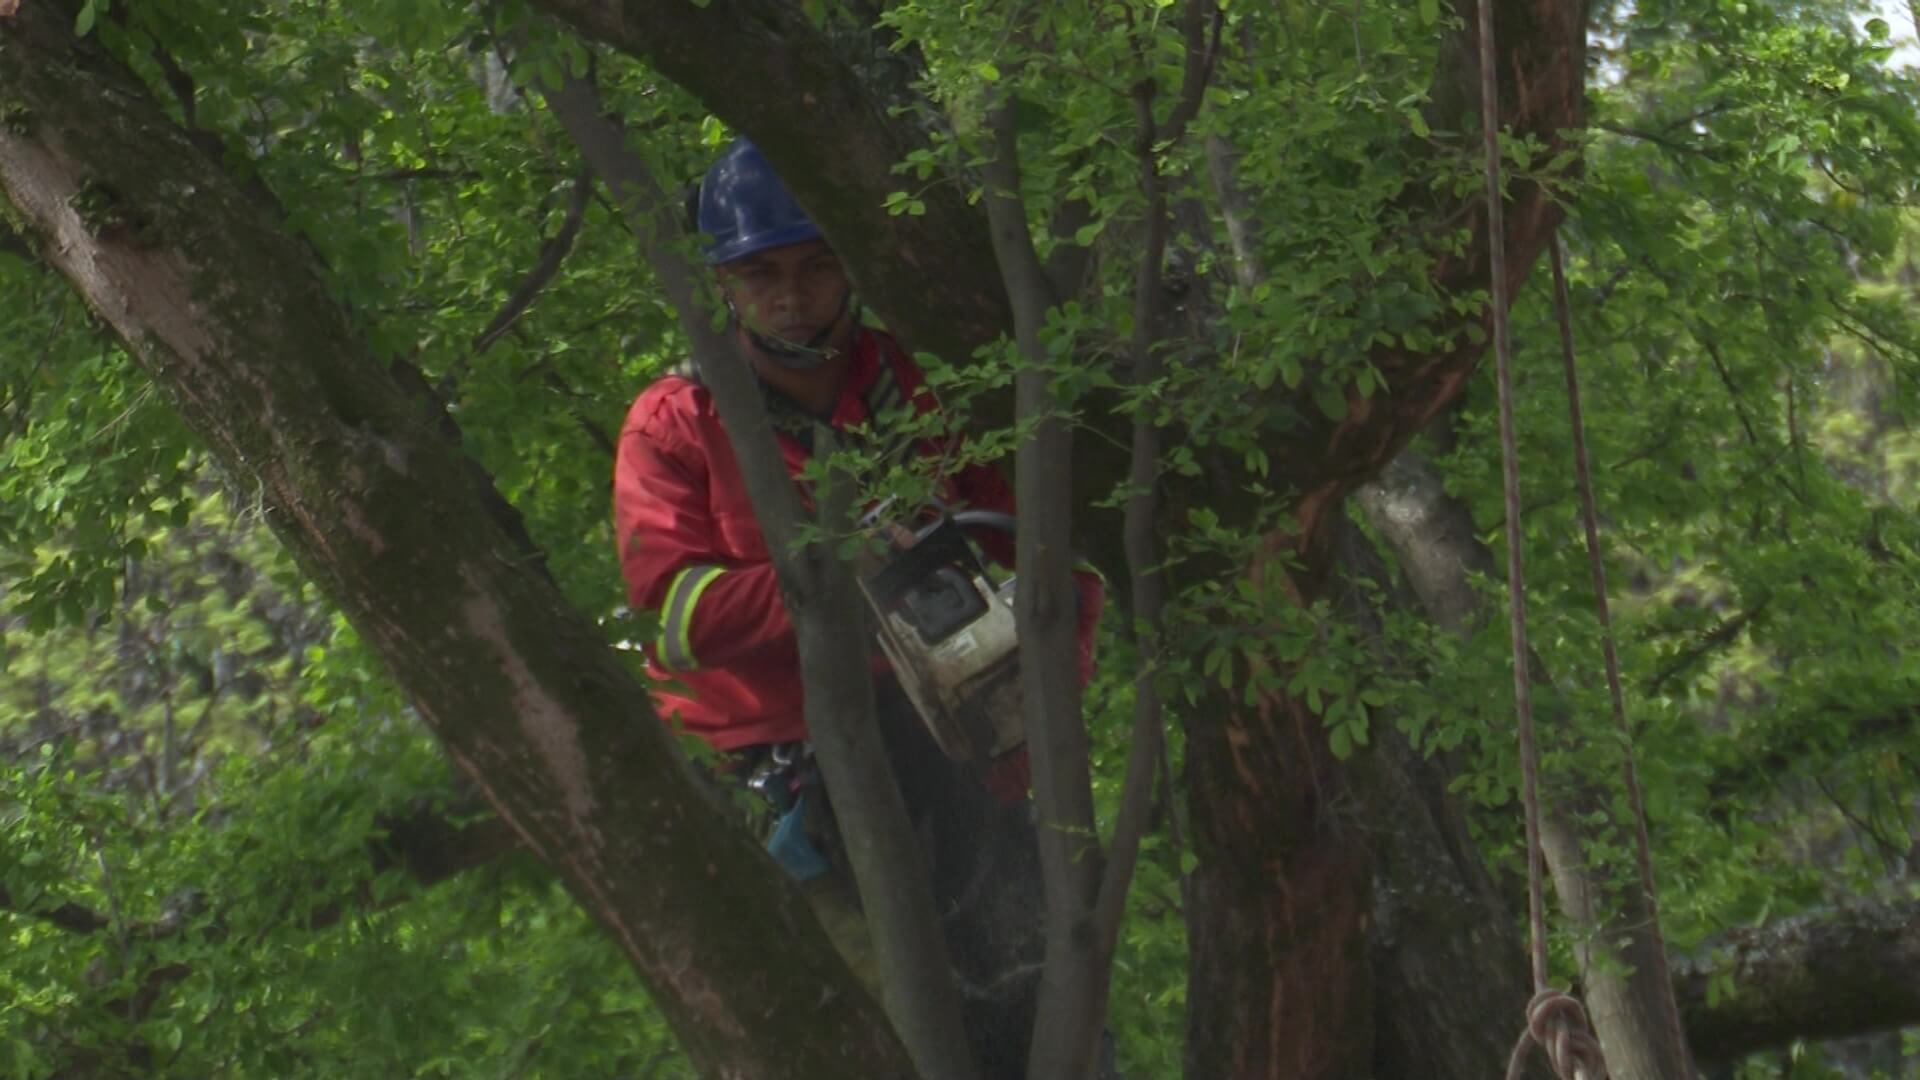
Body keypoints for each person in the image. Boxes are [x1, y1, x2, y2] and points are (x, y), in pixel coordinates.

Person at [611, 137, 1102, 1077]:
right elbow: (678, 612)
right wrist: (833, 575)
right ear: (722, 281)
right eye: (760, 273)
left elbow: (1054, 563)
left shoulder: (932, 384)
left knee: (1040, 1010)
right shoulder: (680, 422)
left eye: (812, 266)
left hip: (965, 749)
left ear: (850, 268)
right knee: (888, 1041)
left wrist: (1038, 725)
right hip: (797, 776)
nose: (789, 295)